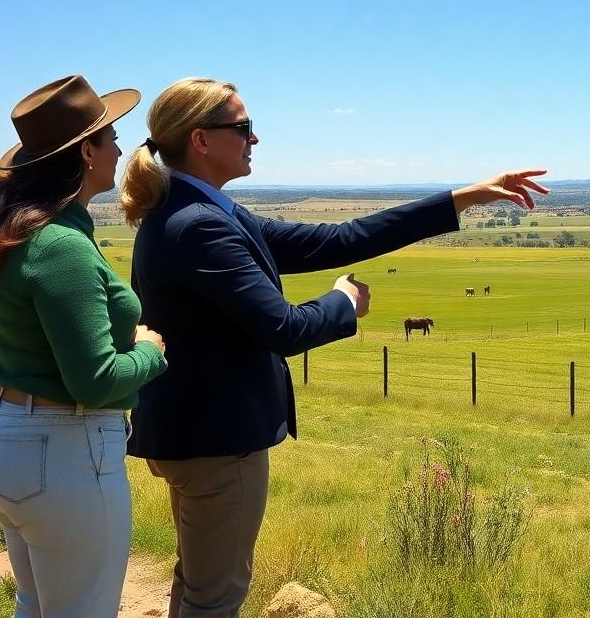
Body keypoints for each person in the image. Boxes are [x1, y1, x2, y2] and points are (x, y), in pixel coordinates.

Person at [118, 77, 547, 618]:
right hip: (220, 442)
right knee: (217, 595)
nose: (255, 139)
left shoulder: (202, 211)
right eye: (244, 127)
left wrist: (467, 196)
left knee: (200, 582)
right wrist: (343, 301)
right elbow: (284, 328)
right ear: (201, 139)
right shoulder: (199, 225)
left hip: (194, 434)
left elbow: (338, 240)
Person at [0, 75, 168, 617]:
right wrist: (149, 350)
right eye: (110, 137)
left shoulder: (19, 231)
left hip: (6, 439)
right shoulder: (61, 245)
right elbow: (94, 380)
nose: (120, 148)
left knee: (39, 605)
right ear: (87, 152)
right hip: (65, 452)